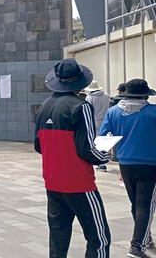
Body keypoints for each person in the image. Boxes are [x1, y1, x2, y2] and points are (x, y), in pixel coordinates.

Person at [34, 58, 111, 258]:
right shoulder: (81, 106)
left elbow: (38, 146)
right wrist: (103, 155)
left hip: (52, 182)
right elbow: (86, 149)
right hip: (79, 183)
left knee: (58, 239)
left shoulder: (43, 106)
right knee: (99, 237)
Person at [99, 79, 156, 258]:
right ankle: (137, 246)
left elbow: (103, 139)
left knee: (136, 204)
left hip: (125, 164)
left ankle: (145, 238)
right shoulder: (153, 112)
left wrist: (101, 156)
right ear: (146, 95)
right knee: (145, 204)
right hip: (150, 164)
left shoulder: (113, 112)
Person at [83, 81, 111, 172]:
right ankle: (103, 161)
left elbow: (89, 111)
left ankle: (101, 164)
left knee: (95, 143)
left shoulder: (89, 97)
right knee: (104, 142)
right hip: (106, 121)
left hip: (95, 122)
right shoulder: (106, 95)